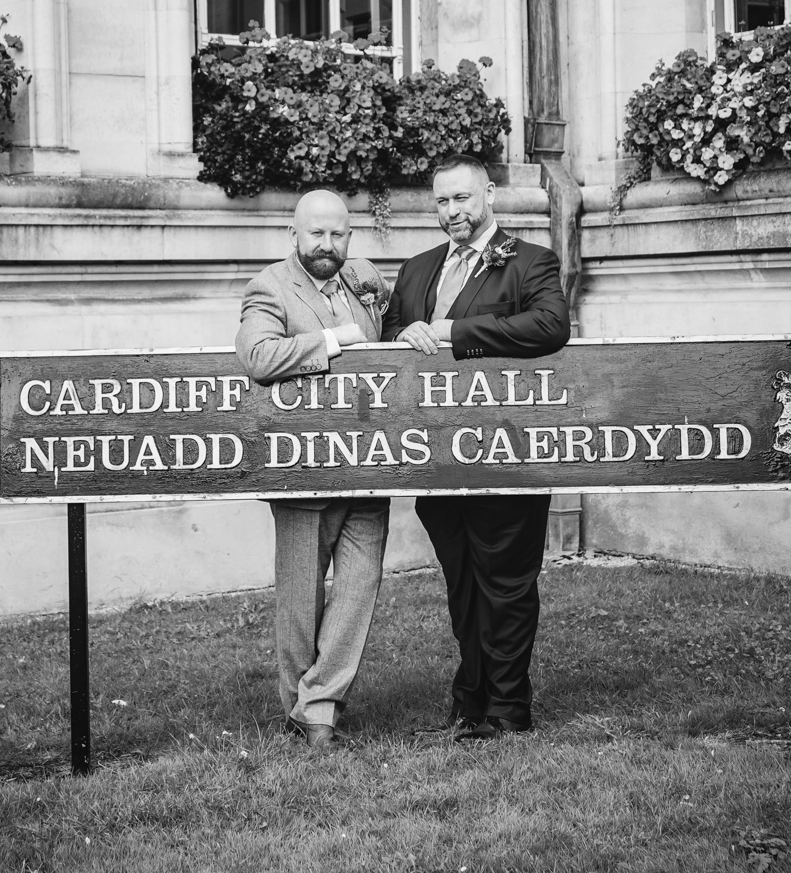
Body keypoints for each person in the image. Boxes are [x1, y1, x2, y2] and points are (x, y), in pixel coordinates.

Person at [381, 153, 571, 740]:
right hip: (436, 456)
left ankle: (510, 708)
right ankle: (471, 697)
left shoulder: (531, 263)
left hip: (506, 455)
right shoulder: (416, 270)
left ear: (489, 194)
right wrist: (403, 332)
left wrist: (451, 332)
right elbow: (390, 335)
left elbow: (549, 327)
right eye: (441, 201)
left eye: (462, 198)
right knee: (461, 583)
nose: (452, 211)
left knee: (508, 585)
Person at [235, 189, 392, 750]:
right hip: (304, 471)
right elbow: (257, 357)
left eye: (338, 234)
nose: (327, 245)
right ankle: (297, 706)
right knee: (301, 601)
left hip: (369, 466)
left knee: (357, 591)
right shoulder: (270, 286)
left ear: (351, 236)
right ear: (294, 235)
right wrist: (332, 339)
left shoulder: (365, 279)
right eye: (316, 234)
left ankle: (319, 708)